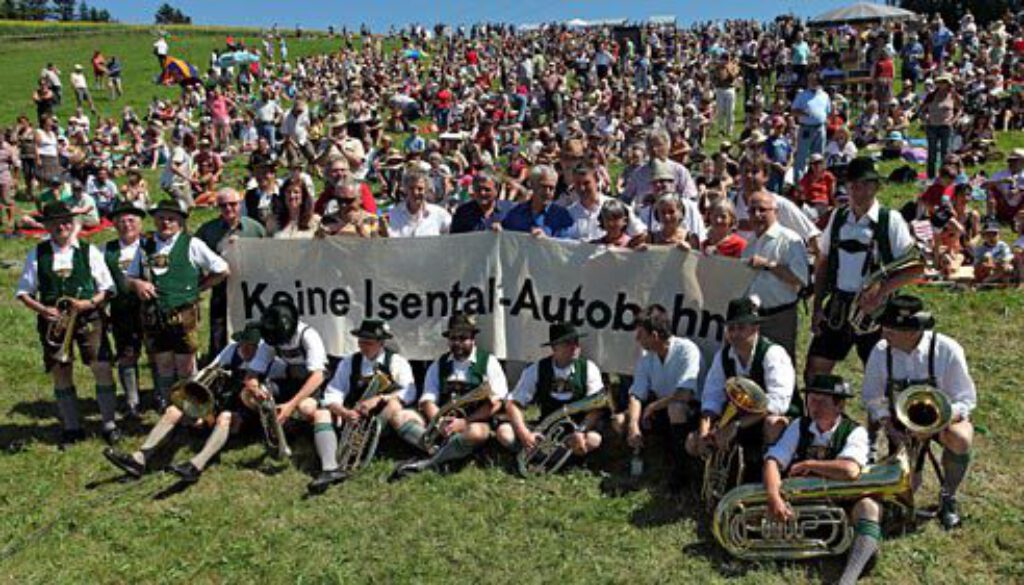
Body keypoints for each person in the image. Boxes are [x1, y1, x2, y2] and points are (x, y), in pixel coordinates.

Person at [101, 322, 270, 484]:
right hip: (218, 405)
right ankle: (139, 458)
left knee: (225, 417)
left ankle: (196, 465)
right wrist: (200, 406)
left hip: (245, 415)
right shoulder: (232, 350)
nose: (246, 349)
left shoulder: (268, 360)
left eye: (252, 346)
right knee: (174, 410)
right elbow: (208, 371)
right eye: (244, 344)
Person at [862, 294, 977, 529]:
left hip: (942, 420)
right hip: (900, 423)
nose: (884, 333)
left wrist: (939, 422)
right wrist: (888, 425)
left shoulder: (947, 349)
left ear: (913, 331)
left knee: (961, 437)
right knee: (907, 487)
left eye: (892, 329)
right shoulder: (880, 351)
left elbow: (965, 399)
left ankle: (949, 496)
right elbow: (873, 397)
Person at [806, 157, 921, 382]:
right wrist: (818, 305)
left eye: (866, 184)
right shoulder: (837, 218)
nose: (859, 190)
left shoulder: (891, 220)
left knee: (883, 376)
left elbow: (915, 268)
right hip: (838, 306)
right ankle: (821, 414)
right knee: (815, 369)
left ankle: (880, 417)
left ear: (876, 186)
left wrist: (881, 290)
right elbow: (824, 263)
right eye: (853, 184)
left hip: (876, 311)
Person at [15, 202, 118, 447]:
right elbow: (23, 293)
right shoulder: (37, 253)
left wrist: (88, 303)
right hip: (55, 323)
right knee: (61, 371)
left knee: (101, 366)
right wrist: (44, 310)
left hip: (88, 317)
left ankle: (109, 424)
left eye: (66, 222)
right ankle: (72, 427)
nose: (63, 226)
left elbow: (108, 288)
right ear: (47, 226)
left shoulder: (88, 250)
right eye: (56, 223)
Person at [762, 375, 875, 585]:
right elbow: (772, 461)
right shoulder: (799, 425)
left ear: (839, 404)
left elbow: (850, 470)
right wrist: (773, 496)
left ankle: (849, 577)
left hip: (842, 505)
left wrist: (808, 465)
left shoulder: (854, 431)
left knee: (869, 508)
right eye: (811, 400)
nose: (814, 406)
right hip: (802, 503)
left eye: (822, 401)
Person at [125, 199, 230, 410]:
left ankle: (192, 408)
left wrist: (199, 287)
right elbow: (129, 277)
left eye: (171, 219)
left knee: (186, 364)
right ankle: (169, 407)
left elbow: (222, 269)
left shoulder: (192, 244)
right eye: (161, 218)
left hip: (184, 314)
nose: (166, 223)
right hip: (154, 314)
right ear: (154, 220)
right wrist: (138, 284)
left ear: (180, 222)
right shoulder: (145, 245)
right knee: (163, 363)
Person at [389, 313, 509, 480]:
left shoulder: (489, 362)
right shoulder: (439, 364)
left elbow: (496, 403)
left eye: (463, 338)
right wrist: (439, 422)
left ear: (473, 339)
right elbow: (428, 400)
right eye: (453, 338)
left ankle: (430, 462)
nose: (458, 343)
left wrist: (464, 422)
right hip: (442, 422)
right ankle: (447, 453)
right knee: (399, 417)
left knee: (476, 433)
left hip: (473, 422)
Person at [310, 319, 418, 493]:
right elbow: (333, 392)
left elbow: (409, 392)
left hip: (381, 421)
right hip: (352, 418)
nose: (363, 346)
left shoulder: (396, 362)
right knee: (321, 414)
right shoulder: (349, 362)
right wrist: (343, 412)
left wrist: (379, 399)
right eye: (361, 341)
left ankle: (366, 447)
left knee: (394, 404)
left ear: (381, 343)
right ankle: (330, 469)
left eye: (368, 342)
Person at [688, 297, 797, 466]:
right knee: (692, 442)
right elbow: (712, 397)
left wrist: (736, 426)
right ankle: (707, 479)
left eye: (741, 328)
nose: (735, 334)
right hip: (739, 418)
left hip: (774, 418)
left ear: (755, 328)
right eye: (731, 328)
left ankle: (770, 474)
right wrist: (705, 430)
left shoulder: (773, 354)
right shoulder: (723, 356)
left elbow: (778, 403)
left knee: (772, 424)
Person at [613, 304, 701, 492]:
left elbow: (685, 394)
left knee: (675, 409)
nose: (637, 339)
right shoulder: (647, 358)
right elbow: (636, 394)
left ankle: (681, 472)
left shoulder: (687, 350)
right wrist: (633, 424)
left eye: (640, 335)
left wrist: (653, 406)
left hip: (689, 411)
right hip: (659, 410)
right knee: (619, 421)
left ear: (654, 335)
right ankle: (636, 461)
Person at [242, 301, 328, 486]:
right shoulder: (271, 338)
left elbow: (318, 376)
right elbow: (251, 374)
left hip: (311, 387)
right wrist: (255, 389)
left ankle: (299, 432)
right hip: (289, 382)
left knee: (305, 407)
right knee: (246, 395)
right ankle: (276, 426)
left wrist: (291, 405)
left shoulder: (308, 335)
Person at [496, 323, 604, 462]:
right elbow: (512, 404)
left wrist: (581, 430)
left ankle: (542, 455)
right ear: (554, 348)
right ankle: (557, 455)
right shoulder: (537, 369)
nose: (575, 346)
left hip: (576, 428)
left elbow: (597, 407)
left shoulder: (589, 368)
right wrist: (524, 433)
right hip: (545, 428)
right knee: (504, 432)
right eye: (567, 343)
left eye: (576, 342)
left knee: (594, 439)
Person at [196, 188, 267, 360]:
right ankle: (219, 366)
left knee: (251, 330)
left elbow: (266, 257)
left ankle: (252, 364)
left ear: (240, 204)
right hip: (221, 288)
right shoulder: (208, 231)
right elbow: (195, 257)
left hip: (250, 289)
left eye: (233, 204)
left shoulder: (255, 228)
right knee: (219, 330)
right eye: (223, 205)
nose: (228, 208)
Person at [741, 190, 809, 358]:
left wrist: (768, 265)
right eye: (752, 210)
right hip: (752, 318)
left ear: (776, 212)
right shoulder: (749, 244)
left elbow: (800, 279)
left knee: (781, 367)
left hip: (779, 317)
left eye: (762, 210)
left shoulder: (789, 239)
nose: (757, 215)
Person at [102, 202, 148, 418]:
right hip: (121, 311)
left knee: (158, 354)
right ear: (114, 225)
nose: (126, 224)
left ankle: (161, 397)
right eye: (121, 221)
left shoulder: (151, 244)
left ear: (140, 223)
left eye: (131, 220)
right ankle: (132, 402)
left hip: (150, 309)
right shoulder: (106, 250)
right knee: (127, 355)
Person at [502, 165, 573, 238]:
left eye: (551, 188)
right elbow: (505, 239)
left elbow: (565, 246)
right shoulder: (516, 213)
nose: (547, 192)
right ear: (532, 185)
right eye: (543, 187)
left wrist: (547, 240)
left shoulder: (562, 216)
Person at [791, 70, 831, 182]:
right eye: (810, 80)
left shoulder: (825, 95)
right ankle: (798, 182)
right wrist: (803, 113)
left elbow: (827, 111)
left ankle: (817, 181)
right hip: (806, 128)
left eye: (815, 80)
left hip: (820, 128)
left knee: (818, 157)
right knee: (801, 157)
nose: (812, 83)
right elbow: (793, 111)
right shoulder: (802, 95)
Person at [388, 168, 452, 237]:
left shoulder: (440, 214)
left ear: (426, 190)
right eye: (411, 188)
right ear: (405, 190)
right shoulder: (394, 215)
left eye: (420, 189)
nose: (415, 192)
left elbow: (452, 237)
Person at [921, 75, 960, 179]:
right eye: (940, 82)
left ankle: (944, 176)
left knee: (945, 153)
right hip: (932, 126)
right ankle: (931, 176)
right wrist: (925, 119)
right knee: (932, 153)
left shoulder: (953, 95)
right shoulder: (931, 95)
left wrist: (953, 121)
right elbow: (922, 109)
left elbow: (959, 109)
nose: (941, 84)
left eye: (944, 82)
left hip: (946, 127)